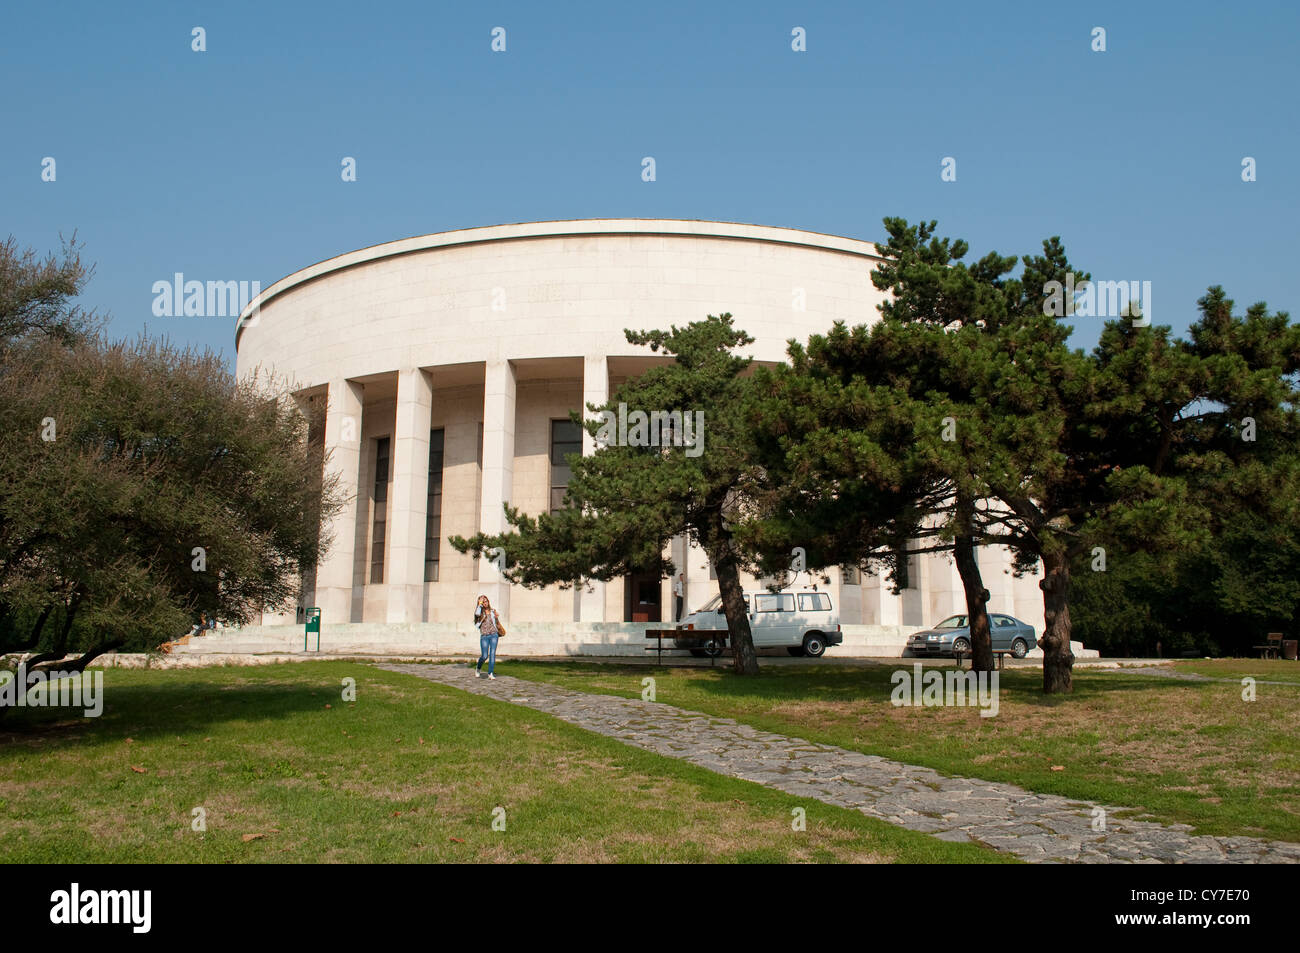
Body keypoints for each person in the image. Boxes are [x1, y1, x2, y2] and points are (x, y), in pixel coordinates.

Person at [473, 595, 503, 679]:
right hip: (484, 636)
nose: (485, 603)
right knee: (484, 656)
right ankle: (478, 668)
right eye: (483, 602)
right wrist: (480, 605)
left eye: (486, 601)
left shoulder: (492, 611)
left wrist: (496, 618)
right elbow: (477, 614)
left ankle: (490, 673)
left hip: (494, 635)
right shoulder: (479, 612)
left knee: (492, 654)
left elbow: (496, 623)